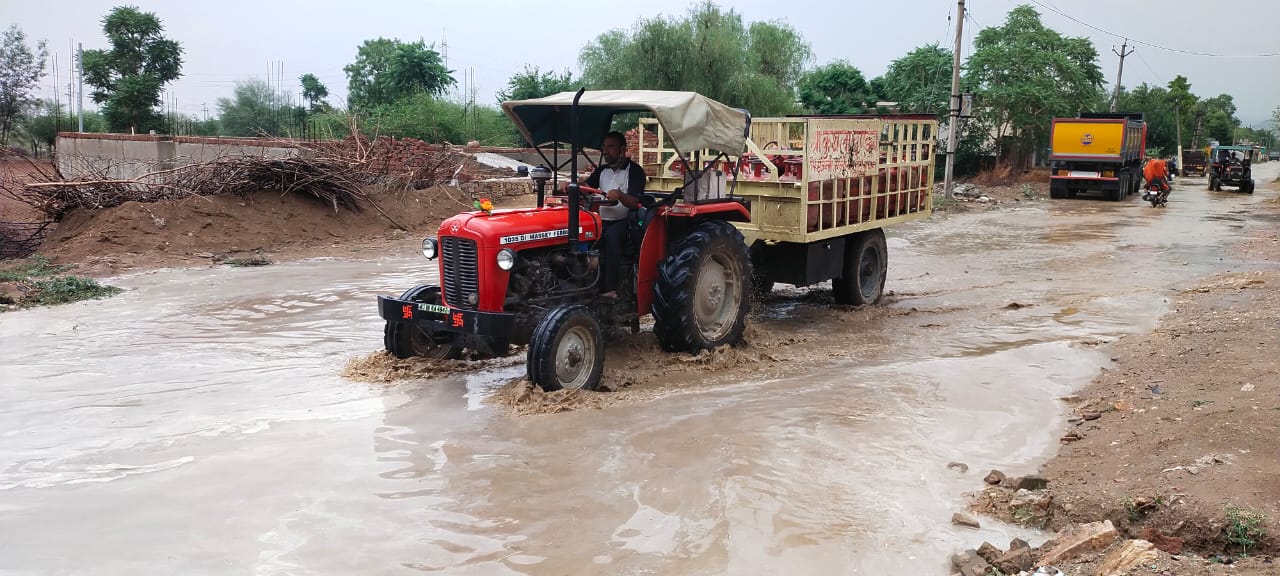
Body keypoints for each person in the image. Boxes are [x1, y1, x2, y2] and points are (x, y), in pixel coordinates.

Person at [585, 131, 646, 298]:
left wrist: (619, 195)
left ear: (622, 149)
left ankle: (610, 290)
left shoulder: (635, 171)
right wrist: (571, 185)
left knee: (612, 239)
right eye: (604, 147)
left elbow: (636, 202)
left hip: (624, 221)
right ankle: (587, 286)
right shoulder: (601, 171)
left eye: (611, 147)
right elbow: (587, 185)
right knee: (585, 238)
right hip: (600, 220)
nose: (606, 151)